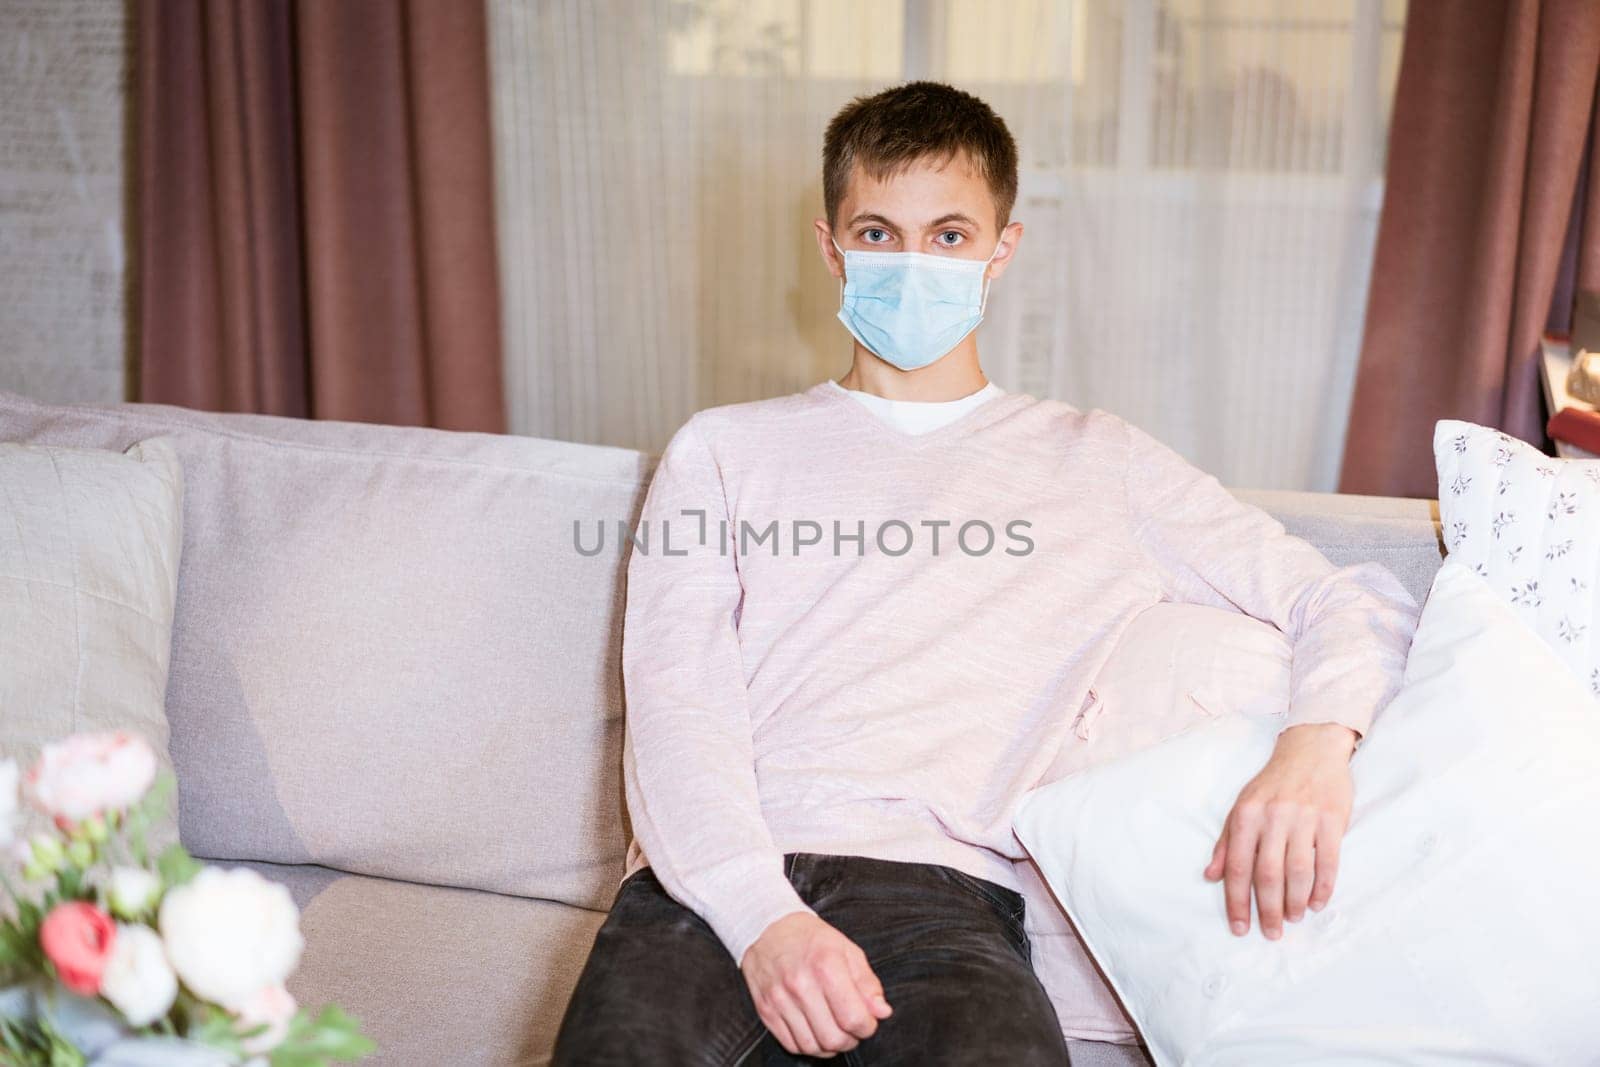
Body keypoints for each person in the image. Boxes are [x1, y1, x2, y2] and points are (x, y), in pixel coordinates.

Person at [552, 80, 1418, 1066]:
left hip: (945, 901)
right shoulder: (720, 451)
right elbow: (678, 708)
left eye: (949, 235)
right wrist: (763, 919)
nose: (912, 261)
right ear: (830, 246)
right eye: (878, 234)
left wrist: (1313, 750)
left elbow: (1339, 597)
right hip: (703, 894)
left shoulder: (1101, 461)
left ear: (1001, 250)